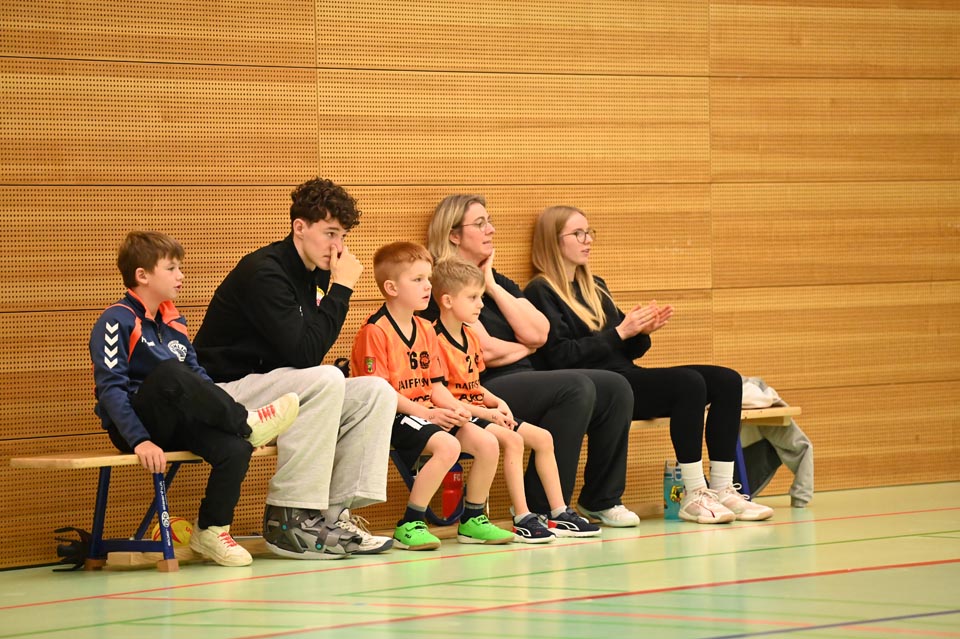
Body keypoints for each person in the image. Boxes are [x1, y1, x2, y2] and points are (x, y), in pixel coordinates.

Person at [523, 205, 774, 523]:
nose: (588, 240)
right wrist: (620, 332)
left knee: (726, 380)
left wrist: (640, 332)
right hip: (596, 388)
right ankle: (694, 492)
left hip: (625, 376)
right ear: (553, 240)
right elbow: (560, 356)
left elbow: (624, 350)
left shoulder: (595, 286)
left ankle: (723, 488)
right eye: (578, 233)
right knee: (688, 384)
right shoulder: (541, 291)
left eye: (589, 232)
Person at [193, 177, 397, 559]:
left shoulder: (316, 272)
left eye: (343, 236)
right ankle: (289, 519)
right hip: (224, 391)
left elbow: (304, 355)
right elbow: (305, 354)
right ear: (299, 227)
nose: (338, 247)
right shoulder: (265, 272)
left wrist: (333, 285)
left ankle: (332, 517)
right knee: (326, 376)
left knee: (376, 392)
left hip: (272, 385)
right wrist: (342, 289)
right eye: (330, 234)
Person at [425, 195, 639, 528]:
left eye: (489, 221)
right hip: (484, 385)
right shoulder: (443, 284)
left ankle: (602, 499)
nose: (491, 230)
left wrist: (492, 286)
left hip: (525, 377)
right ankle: (546, 508)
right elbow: (486, 351)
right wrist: (527, 347)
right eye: (480, 224)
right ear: (453, 234)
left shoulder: (496, 281)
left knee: (615, 386)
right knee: (576, 387)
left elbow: (541, 332)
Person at [90, 231, 301, 567]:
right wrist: (140, 440)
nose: (181, 275)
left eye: (180, 267)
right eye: (171, 268)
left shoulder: (174, 321)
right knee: (169, 373)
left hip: (175, 421)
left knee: (235, 448)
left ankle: (212, 530)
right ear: (142, 275)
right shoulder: (116, 320)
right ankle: (246, 422)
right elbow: (111, 389)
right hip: (136, 426)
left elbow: (198, 377)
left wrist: (225, 425)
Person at [350, 242, 516, 550]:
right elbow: (380, 395)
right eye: (417, 279)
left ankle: (473, 520)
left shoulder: (426, 328)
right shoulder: (375, 331)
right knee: (448, 446)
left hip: (426, 412)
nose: (428, 286)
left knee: (488, 443)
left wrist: (460, 410)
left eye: (428, 278)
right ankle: (410, 523)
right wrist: (428, 414)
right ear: (391, 287)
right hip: (392, 415)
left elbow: (436, 386)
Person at [430, 258, 601, 542]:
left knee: (544, 438)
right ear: (447, 301)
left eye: (480, 297)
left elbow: (473, 384)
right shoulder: (434, 339)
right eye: (472, 298)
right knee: (514, 440)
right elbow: (442, 394)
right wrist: (485, 413)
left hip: (477, 410)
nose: (480, 305)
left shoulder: (470, 336)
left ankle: (558, 513)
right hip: (458, 416)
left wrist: (497, 401)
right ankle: (522, 517)